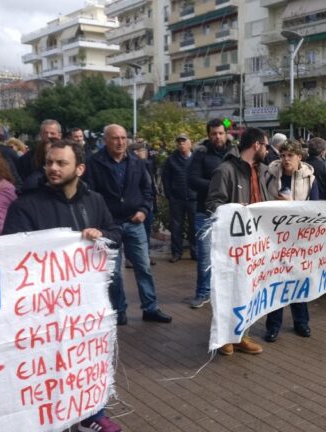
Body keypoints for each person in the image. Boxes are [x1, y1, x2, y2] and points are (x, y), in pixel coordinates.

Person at [2, 139, 123, 432]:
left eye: (61, 163)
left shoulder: (93, 200)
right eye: (49, 162)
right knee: (46, 364)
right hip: (41, 307)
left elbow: (116, 233)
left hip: (84, 304)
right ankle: (47, 417)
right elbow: (11, 252)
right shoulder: (27, 204)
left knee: (86, 358)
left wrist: (102, 234)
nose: (52, 168)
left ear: (79, 168)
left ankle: (92, 413)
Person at [84, 124, 172, 326]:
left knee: (144, 267)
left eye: (124, 138)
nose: (120, 142)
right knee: (113, 273)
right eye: (115, 138)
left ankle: (150, 308)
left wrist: (143, 210)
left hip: (134, 223)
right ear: (105, 140)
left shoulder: (136, 162)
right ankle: (118, 310)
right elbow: (89, 195)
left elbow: (147, 190)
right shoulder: (94, 163)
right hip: (108, 226)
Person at [206, 127, 272, 355]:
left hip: (253, 243)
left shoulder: (261, 171)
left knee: (247, 290)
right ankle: (225, 336)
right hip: (232, 244)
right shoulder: (225, 170)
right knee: (228, 289)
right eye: (265, 145)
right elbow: (213, 204)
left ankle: (241, 335)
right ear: (256, 145)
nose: (267, 150)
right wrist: (236, 210)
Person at [262, 140, 317, 343]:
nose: (285, 159)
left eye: (290, 156)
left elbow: (315, 210)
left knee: (298, 279)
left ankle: (301, 322)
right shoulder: (269, 174)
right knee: (276, 280)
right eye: (283, 155)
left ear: (299, 158)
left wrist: (292, 206)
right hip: (274, 237)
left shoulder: (310, 179)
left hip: (299, 238)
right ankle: (273, 326)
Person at [188, 118, 230, 309]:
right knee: (205, 256)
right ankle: (202, 292)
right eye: (214, 133)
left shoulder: (233, 153)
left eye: (221, 133)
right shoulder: (201, 154)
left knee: (229, 256)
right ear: (208, 135)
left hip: (229, 213)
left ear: (226, 133)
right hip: (204, 212)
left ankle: (224, 293)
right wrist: (217, 186)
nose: (217, 136)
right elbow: (192, 179)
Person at [162, 134, 197, 262]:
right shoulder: (171, 159)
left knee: (194, 226)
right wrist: (169, 195)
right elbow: (165, 178)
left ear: (190, 143)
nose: (181, 144)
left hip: (194, 198)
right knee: (176, 227)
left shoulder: (196, 158)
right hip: (177, 198)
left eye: (184, 142)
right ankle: (176, 253)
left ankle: (195, 251)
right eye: (179, 142)